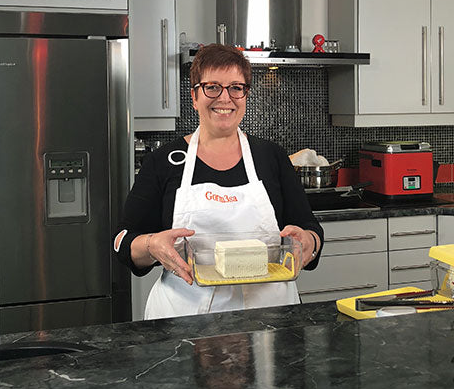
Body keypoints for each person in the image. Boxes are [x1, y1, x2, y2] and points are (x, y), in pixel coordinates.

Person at [113, 43, 324, 319]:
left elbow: (310, 229)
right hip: (186, 320)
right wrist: (152, 245)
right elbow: (123, 241)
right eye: (212, 87)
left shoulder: (271, 157)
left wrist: (308, 242)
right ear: (194, 96)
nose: (225, 98)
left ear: (245, 95)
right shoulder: (164, 161)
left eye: (236, 87)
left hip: (270, 318)